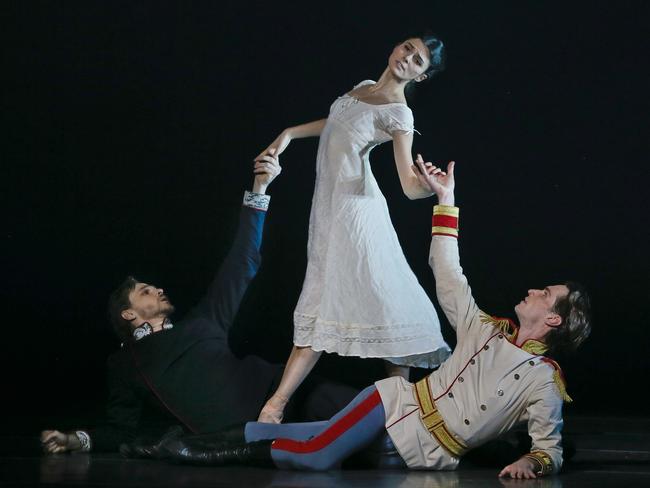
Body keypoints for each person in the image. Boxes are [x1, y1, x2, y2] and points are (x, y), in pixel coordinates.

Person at [161, 160, 591, 479]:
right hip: (395, 404)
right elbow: (448, 274)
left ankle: (177, 446)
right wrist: (447, 202)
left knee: (309, 432)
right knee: (316, 455)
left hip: (426, 452)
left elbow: (548, 448)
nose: (535, 291)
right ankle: (190, 453)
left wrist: (530, 462)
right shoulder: (486, 331)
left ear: (555, 320)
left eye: (546, 294)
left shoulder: (543, 381)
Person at [40, 152, 359, 455]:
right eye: (146, 291)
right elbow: (121, 429)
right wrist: (74, 440)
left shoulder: (203, 321)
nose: (158, 289)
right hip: (245, 435)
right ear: (129, 313)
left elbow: (242, 261)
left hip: (285, 392)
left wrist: (259, 188)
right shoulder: (125, 364)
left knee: (376, 412)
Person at [257, 35, 452, 424]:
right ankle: (401, 414)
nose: (407, 59)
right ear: (397, 46)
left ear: (421, 76)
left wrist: (430, 187)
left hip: (355, 213)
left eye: (418, 62)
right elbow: (338, 122)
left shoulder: (400, 112)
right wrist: (291, 133)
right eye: (408, 49)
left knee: (360, 299)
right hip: (329, 210)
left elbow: (408, 186)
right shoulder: (364, 87)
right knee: (344, 298)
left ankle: (275, 407)